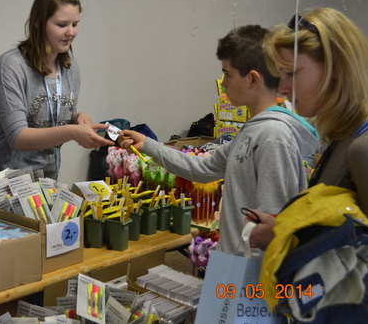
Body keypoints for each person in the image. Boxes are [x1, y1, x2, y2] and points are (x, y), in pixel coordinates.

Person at [119, 25, 320, 255]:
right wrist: (148, 145)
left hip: (249, 272)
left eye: (228, 74)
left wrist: (243, 276)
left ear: (253, 79)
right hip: (233, 263)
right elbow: (203, 168)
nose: (223, 83)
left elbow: (271, 230)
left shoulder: (273, 137)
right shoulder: (252, 130)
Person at [248, 7, 368, 249]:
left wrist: (284, 241)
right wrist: (284, 230)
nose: (282, 89)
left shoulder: (365, 147)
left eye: (291, 73)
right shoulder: (343, 136)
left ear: (335, 68)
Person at [0, 0, 112, 179]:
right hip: (4, 180)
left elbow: (50, 117)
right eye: (62, 25)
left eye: (75, 24)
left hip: (46, 179)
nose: (71, 32)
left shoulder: (70, 67)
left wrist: (76, 118)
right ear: (38, 24)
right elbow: (18, 137)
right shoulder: (11, 66)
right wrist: (73, 132)